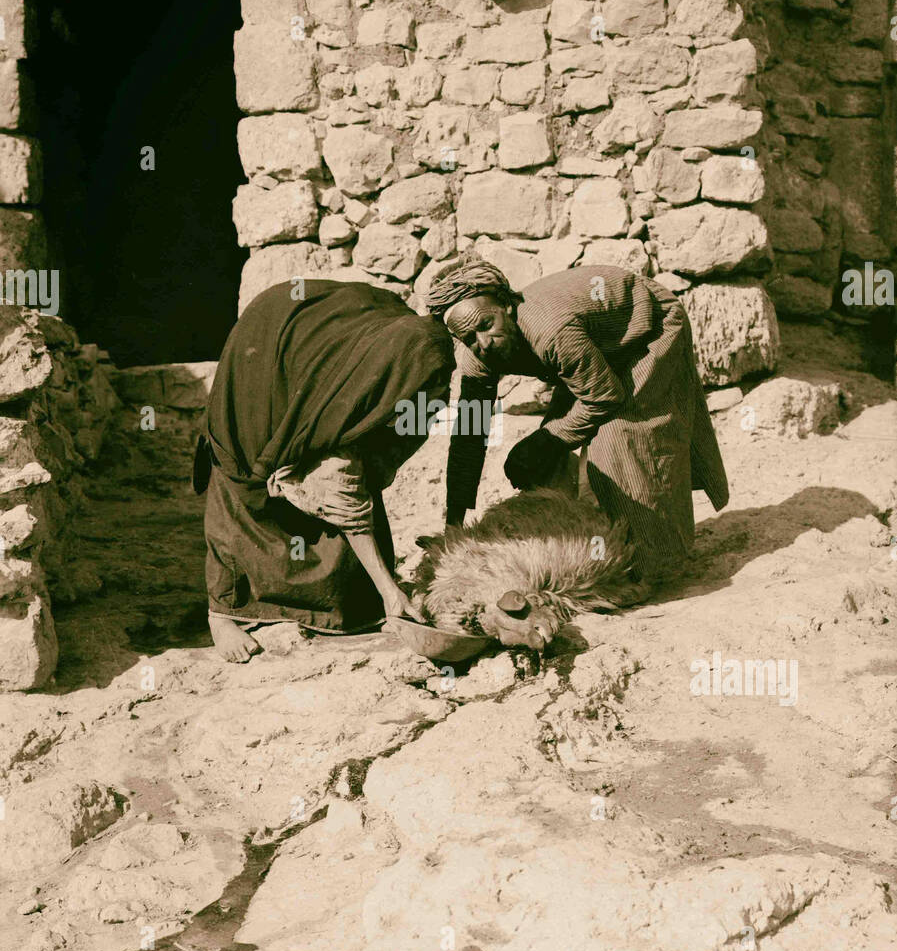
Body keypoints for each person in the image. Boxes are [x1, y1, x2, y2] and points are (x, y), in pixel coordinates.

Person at [427, 254, 729, 587]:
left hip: (645, 331)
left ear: (505, 305)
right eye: (469, 338)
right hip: (594, 352)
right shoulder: (479, 356)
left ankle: (654, 562)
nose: (482, 343)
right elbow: (469, 433)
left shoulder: (550, 330)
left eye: (487, 325)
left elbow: (604, 397)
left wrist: (546, 440)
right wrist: (453, 527)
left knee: (620, 444)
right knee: (527, 461)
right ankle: (589, 526)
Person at [194, 279, 454, 661]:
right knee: (246, 485)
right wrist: (389, 587)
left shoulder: (412, 355)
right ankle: (224, 612)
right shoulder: (341, 410)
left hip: (306, 335)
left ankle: (352, 599)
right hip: (265, 351)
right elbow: (348, 501)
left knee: (344, 509)